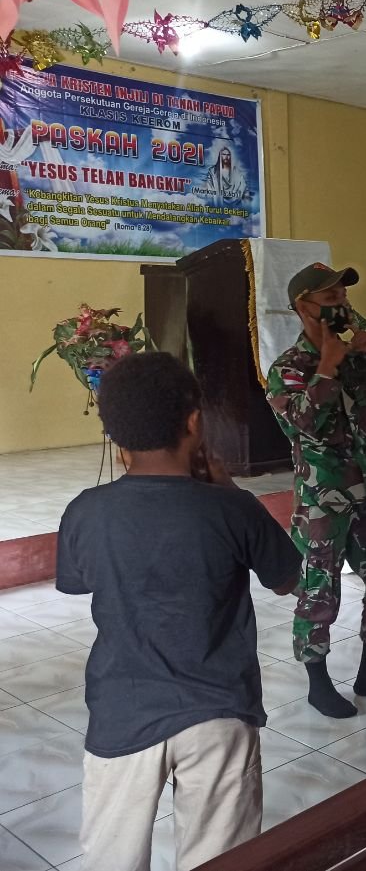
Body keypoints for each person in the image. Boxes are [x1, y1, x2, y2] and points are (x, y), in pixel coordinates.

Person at [57, 352, 300, 871]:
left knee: (111, 859)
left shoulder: (85, 512)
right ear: (194, 423)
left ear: (116, 438)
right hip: (218, 712)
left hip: (122, 711)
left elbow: (80, 582)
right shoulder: (232, 508)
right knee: (221, 858)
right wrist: (228, 489)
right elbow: (287, 580)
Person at [266, 262, 366, 718]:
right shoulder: (288, 369)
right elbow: (306, 424)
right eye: (330, 297)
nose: (341, 303)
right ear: (303, 307)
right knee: (320, 588)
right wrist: (326, 367)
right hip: (323, 498)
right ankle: (318, 684)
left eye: (343, 295)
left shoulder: (360, 356)